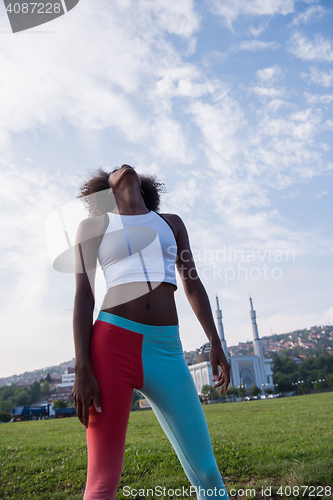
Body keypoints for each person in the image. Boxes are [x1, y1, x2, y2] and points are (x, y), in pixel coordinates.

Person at [71, 164, 230, 500]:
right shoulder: (94, 226)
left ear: (144, 185)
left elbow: (192, 283)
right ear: (106, 188)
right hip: (111, 346)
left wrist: (214, 340)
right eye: (114, 169)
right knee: (103, 478)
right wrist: (82, 366)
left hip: (167, 350)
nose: (122, 167)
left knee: (205, 468)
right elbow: (84, 296)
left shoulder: (171, 223)